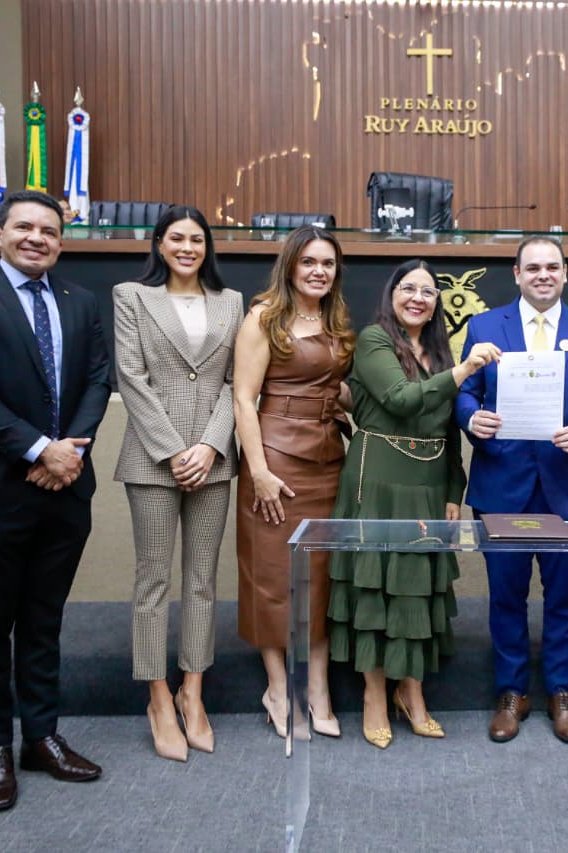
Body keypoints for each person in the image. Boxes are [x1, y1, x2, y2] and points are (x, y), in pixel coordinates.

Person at [0, 190, 111, 811]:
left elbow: (96, 381)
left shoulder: (80, 303)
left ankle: (41, 736)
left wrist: (71, 454)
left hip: (67, 487)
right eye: (25, 227)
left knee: (44, 619)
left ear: (62, 241)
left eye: (50, 231)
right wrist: (40, 450)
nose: (38, 238)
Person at [327, 260, 501, 748]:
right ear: (392, 294)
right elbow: (401, 399)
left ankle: (413, 693)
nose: (419, 297)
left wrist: (453, 491)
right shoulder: (374, 340)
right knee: (376, 592)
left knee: (417, 592)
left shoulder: (442, 351)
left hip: (428, 484)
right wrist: (466, 370)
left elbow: (448, 429)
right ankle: (375, 697)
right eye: (408, 288)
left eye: (428, 291)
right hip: (378, 480)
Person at [455, 234, 568, 745]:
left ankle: (562, 692)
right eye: (533, 267)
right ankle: (511, 692)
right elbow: (464, 390)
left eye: (553, 267)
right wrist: (471, 418)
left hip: (566, 484)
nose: (543, 275)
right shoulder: (483, 326)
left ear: (566, 273)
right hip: (503, 481)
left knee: (565, 597)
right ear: (516, 274)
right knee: (505, 596)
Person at [112, 206, 244, 761]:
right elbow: (131, 377)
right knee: (153, 581)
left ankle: (193, 690)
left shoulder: (232, 302)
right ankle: (158, 696)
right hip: (152, 458)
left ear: (206, 246)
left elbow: (237, 381)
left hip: (214, 457)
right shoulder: (132, 297)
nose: (187, 247)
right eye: (177, 238)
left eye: (196, 239)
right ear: (160, 245)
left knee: (202, 580)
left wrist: (210, 445)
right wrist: (174, 451)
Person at [233, 224, 355, 738]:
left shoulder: (335, 319)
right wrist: (258, 471)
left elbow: (336, 386)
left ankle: (319, 689)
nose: (318, 271)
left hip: (329, 460)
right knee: (273, 576)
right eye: (309, 262)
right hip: (276, 461)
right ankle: (279, 687)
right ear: (290, 265)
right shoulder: (264, 317)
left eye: (327, 263)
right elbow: (243, 398)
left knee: (322, 581)